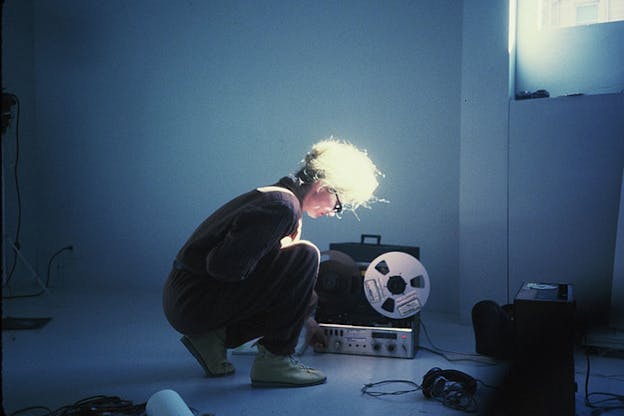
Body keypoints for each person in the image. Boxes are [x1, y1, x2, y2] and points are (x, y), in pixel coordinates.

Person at [162, 138, 381, 387]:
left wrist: (304, 317)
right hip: (192, 301)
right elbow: (222, 267)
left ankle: (213, 340)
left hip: (186, 296)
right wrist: (279, 269)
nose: (334, 212)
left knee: (303, 279)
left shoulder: (278, 199)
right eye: (339, 205)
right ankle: (275, 361)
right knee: (306, 256)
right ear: (323, 186)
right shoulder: (282, 206)